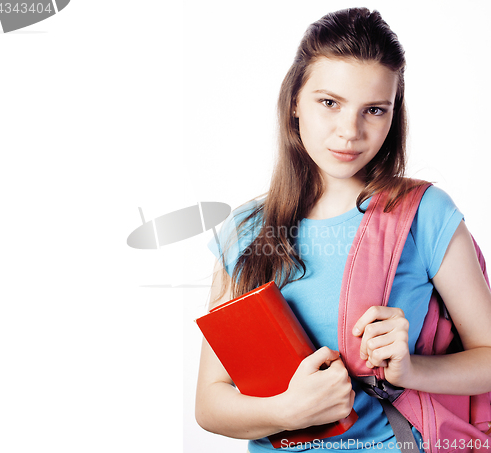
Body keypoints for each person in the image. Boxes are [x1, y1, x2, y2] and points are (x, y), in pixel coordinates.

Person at [195, 7, 491, 452]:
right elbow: (210, 403)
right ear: (295, 100)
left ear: (394, 115)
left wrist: (412, 371)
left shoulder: (423, 213)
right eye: (329, 102)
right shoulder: (246, 230)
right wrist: (287, 413)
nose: (349, 131)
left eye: (374, 109)